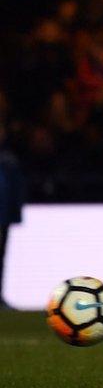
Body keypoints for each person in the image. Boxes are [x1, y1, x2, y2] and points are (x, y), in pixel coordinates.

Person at [0, 122, 25, 310]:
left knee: (2, 257)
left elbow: (15, 189)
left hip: (3, 217)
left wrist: (15, 215)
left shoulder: (9, 160)